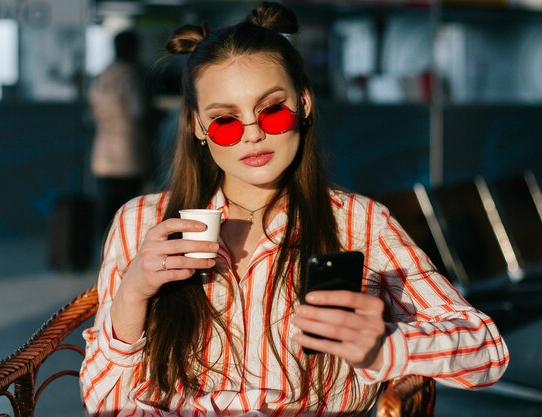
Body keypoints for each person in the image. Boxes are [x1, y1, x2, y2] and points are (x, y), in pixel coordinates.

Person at [80, 3, 509, 416]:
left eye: (271, 112)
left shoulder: (358, 222)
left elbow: (488, 351)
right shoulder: (141, 222)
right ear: (197, 126)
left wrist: (385, 345)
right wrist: (132, 294)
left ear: (303, 103)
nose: (252, 135)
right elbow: (101, 403)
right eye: (226, 121)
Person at [89, 30, 149, 237]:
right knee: (127, 207)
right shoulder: (129, 76)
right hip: (127, 152)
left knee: (106, 205)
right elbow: (139, 111)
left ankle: (104, 249)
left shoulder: (102, 75)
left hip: (103, 153)